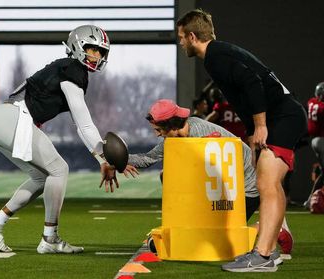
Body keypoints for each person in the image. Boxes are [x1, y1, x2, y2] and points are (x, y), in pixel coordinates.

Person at [176, 10, 307, 272]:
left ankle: (262, 255)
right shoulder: (219, 54)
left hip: (281, 117)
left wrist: (260, 125)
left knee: (265, 183)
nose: (180, 43)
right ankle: (268, 252)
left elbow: (252, 83)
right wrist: (252, 135)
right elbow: (245, 99)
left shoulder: (215, 56)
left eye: (181, 38)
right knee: (272, 183)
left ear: (192, 36)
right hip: (284, 116)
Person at [0, 25, 118, 254]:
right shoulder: (73, 68)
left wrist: (101, 158)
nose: (97, 56)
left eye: (101, 52)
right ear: (78, 46)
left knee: (43, 177)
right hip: (12, 118)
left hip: (0, 120)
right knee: (59, 170)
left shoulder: (66, 69)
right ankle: (49, 238)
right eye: (93, 49)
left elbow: (80, 127)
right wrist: (103, 158)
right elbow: (84, 123)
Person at [124, 99, 293, 264]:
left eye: (158, 129)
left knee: (219, 236)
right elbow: (148, 158)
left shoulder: (201, 133)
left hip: (245, 187)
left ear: (171, 125)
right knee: (168, 177)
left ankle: (273, 228)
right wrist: (116, 159)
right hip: (223, 186)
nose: (157, 134)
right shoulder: (176, 135)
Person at [304, 82, 324, 207]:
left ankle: (310, 199)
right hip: (322, 141)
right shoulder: (321, 107)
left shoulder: (311, 102)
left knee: (323, 172)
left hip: (315, 140)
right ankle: (311, 199)